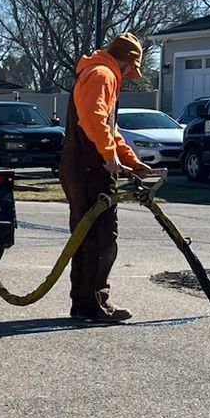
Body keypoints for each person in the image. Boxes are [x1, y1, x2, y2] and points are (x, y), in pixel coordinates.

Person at [59, 33, 160, 324]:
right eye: (132, 70)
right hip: (89, 168)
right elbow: (93, 118)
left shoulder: (95, 72)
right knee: (101, 236)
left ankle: (83, 302)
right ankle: (94, 303)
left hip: (81, 165)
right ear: (127, 63)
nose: (130, 77)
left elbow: (109, 128)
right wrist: (108, 156)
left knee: (86, 235)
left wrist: (132, 161)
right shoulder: (104, 75)